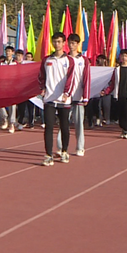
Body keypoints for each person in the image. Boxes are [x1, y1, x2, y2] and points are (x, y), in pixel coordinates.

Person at [38, 33, 75, 166]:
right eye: (54, 42)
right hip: (49, 99)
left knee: (64, 126)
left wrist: (67, 93)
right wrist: (42, 88)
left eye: (59, 42)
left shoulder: (69, 60)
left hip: (64, 99)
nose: (57, 44)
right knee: (48, 127)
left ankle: (64, 151)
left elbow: (71, 78)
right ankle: (48, 155)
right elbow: (41, 76)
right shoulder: (47, 60)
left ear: (64, 43)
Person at [57, 34, 90, 156]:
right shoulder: (63, 59)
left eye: (74, 43)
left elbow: (86, 78)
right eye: (70, 43)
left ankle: (80, 147)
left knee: (78, 124)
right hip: (65, 96)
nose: (72, 46)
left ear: (78, 44)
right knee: (63, 122)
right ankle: (60, 147)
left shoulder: (84, 60)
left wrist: (86, 95)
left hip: (78, 96)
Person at [102, 49, 127, 139]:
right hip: (118, 94)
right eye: (122, 56)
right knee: (120, 114)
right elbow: (113, 83)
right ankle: (123, 128)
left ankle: (126, 130)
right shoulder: (117, 70)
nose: (124, 58)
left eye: (126, 56)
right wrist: (106, 91)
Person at [0, 46, 21, 133]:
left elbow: (19, 74)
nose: (7, 53)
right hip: (3, 86)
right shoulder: (1, 63)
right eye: (6, 51)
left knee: (12, 105)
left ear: (12, 53)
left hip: (12, 87)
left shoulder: (15, 63)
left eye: (9, 51)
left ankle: (12, 123)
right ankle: (5, 118)